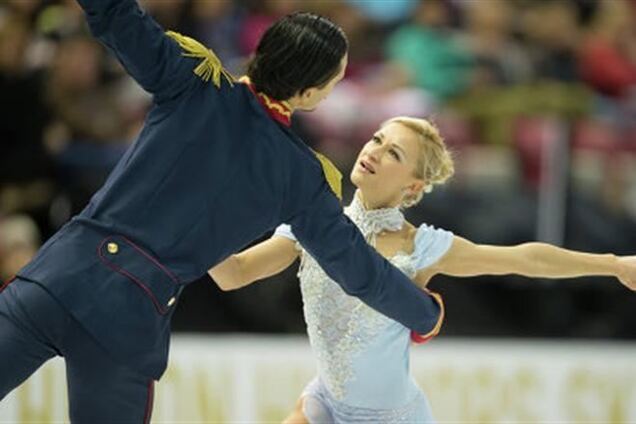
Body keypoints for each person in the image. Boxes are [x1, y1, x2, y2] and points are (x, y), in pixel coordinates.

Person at [0, 1, 444, 422]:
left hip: (57, 278)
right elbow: (359, 270)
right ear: (310, 93)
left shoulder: (192, 79)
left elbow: (115, 14)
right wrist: (424, 314)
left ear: (261, 50)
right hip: (127, 320)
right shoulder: (303, 177)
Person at [210, 116, 636, 423]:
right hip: (326, 405)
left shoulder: (422, 247)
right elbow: (233, 274)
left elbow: (523, 259)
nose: (374, 151)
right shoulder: (311, 227)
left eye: (393, 153)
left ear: (413, 186)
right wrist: (187, 224)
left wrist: (615, 264)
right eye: (376, 139)